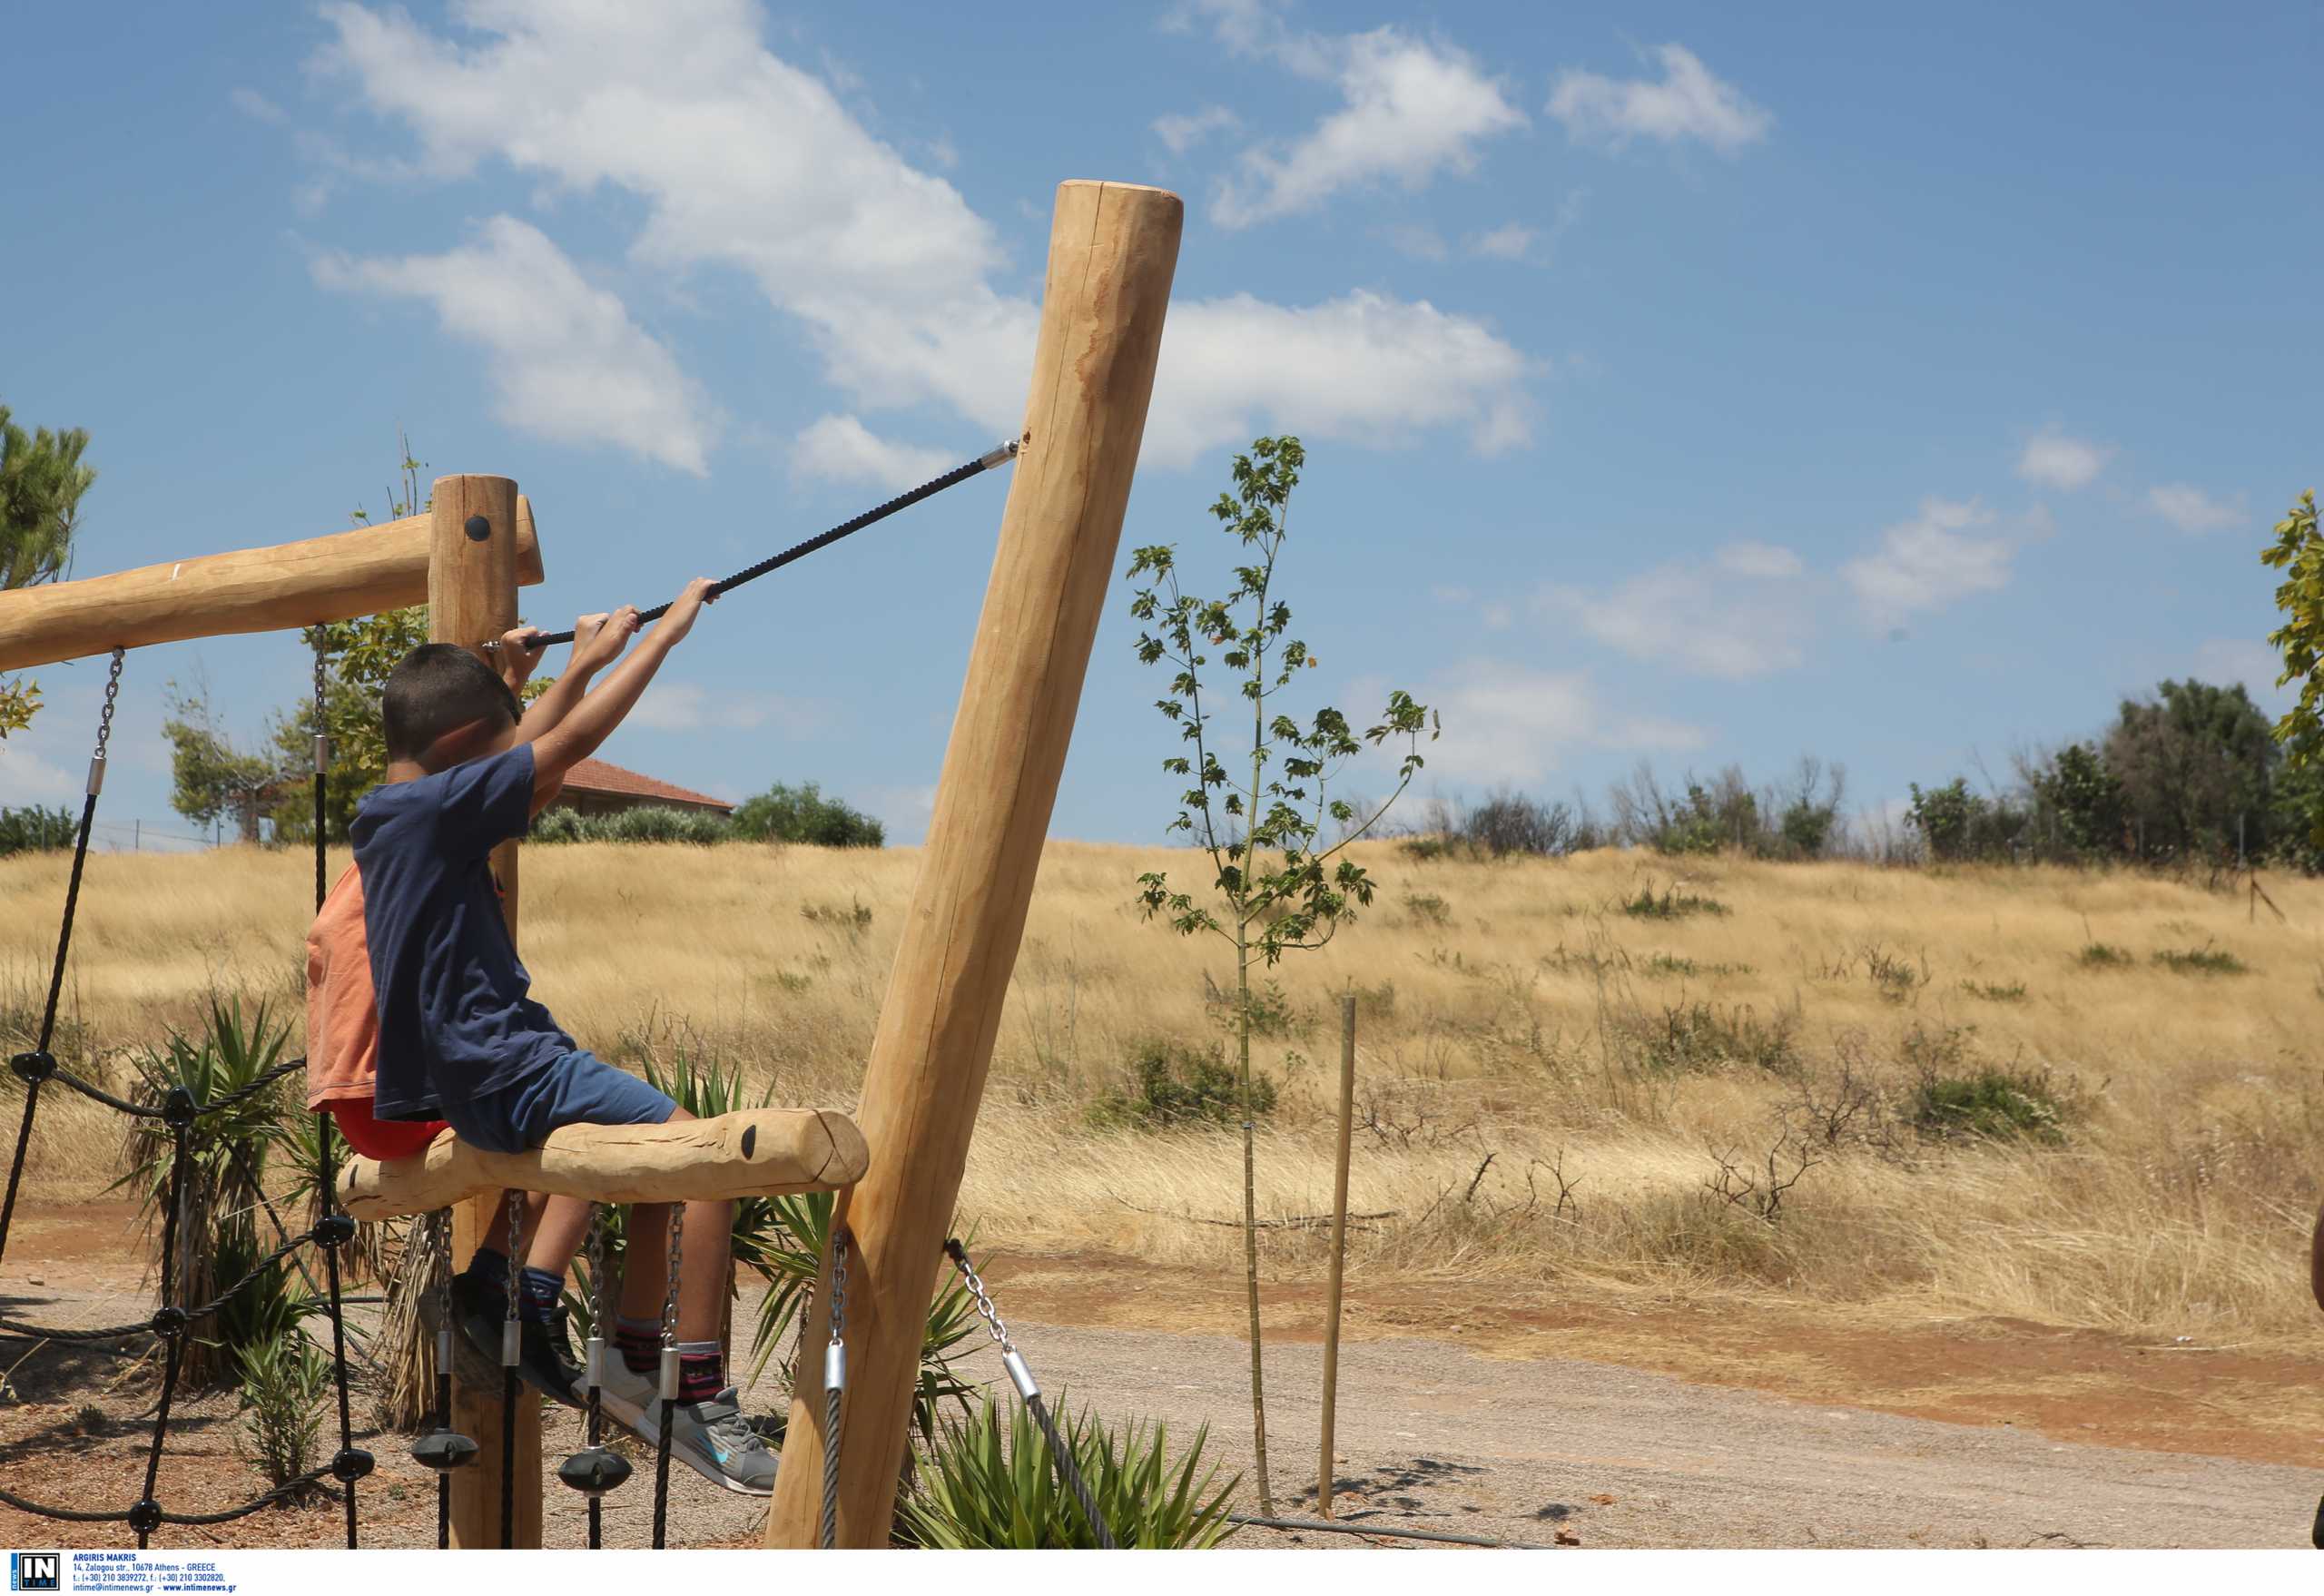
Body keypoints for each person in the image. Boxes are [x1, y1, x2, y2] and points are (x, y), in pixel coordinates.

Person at [352, 580, 774, 1495]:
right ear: (467, 749)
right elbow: (564, 748)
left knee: (642, 1162)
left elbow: (522, 753)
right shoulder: (434, 812)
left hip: (477, 1075)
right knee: (708, 1160)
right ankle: (695, 1388)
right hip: (506, 1063)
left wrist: (524, 677)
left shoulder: (397, 813)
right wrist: (648, 644)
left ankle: (602, 1341)